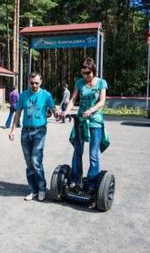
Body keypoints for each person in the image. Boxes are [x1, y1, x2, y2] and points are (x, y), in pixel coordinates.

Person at [60, 57, 110, 196]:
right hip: (81, 120)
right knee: (77, 151)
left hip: (95, 120)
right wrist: (66, 111)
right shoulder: (79, 83)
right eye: (83, 73)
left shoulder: (101, 83)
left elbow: (102, 102)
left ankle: (92, 183)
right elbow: (73, 99)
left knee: (93, 154)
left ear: (93, 71)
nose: (85, 76)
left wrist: (91, 110)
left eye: (88, 73)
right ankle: (76, 180)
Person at [9, 72, 59, 202]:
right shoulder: (23, 95)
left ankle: (42, 188)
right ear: (28, 82)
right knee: (29, 163)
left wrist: (57, 114)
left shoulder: (46, 95)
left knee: (36, 160)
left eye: (36, 83)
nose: (34, 85)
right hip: (25, 131)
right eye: (32, 83)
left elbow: (53, 109)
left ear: (41, 82)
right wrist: (13, 129)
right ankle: (34, 190)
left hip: (39, 131)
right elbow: (18, 112)